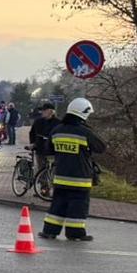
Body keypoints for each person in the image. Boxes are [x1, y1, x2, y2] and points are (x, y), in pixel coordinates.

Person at [42, 98, 107, 241]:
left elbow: (48, 149)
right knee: (77, 207)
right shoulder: (84, 132)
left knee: (57, 205)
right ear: (83, 113)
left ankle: (49, 231)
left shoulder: (57, 130)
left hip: (60, 177)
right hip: (80, 179)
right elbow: (101, 147)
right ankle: (74, 234)